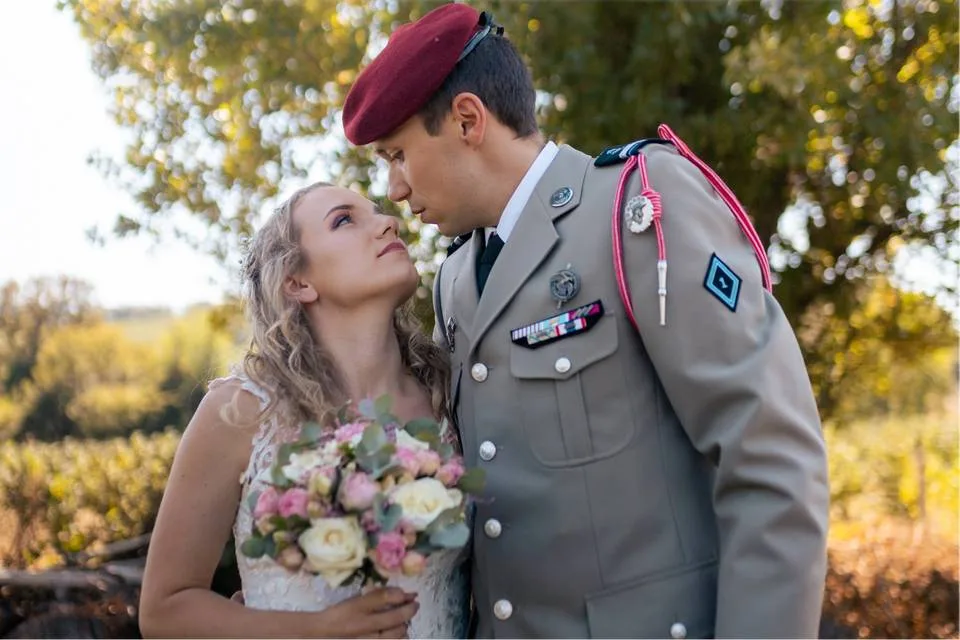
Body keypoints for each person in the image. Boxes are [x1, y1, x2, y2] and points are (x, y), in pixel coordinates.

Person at [341, 3, 830, 638]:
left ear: (467, 119)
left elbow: (770, 458)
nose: (397, 190)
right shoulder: (456, 282)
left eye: (398, 155)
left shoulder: (638, 207)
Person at [139, 183, 470, 638]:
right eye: (344, 220)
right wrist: (315, 631)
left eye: (378, 213)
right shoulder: (240, 411)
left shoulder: (452, 398)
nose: (388, 222)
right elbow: (164, 611)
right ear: (298, 281)